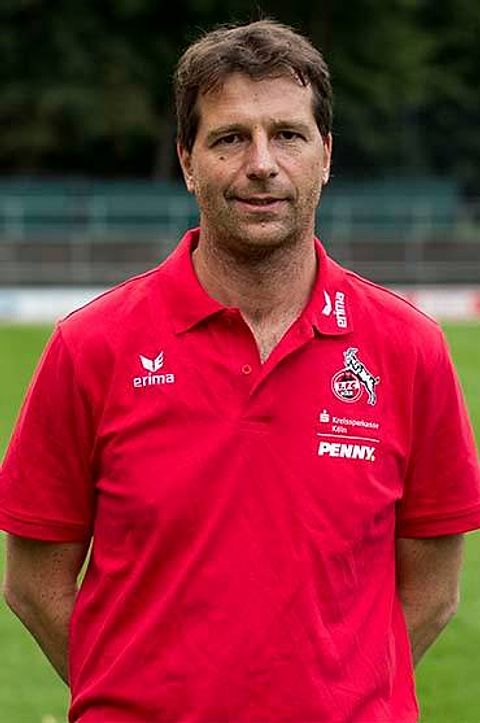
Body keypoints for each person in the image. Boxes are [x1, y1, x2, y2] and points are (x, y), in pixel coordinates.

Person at [1, 18, 480, 723]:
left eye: (287, 134)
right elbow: (33, 582)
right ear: (187, 161)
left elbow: (434, 590)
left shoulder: (409, 350)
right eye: (230, 137)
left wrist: (340, 699)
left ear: (326, 155)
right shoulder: (90, 347)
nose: (262, 163)